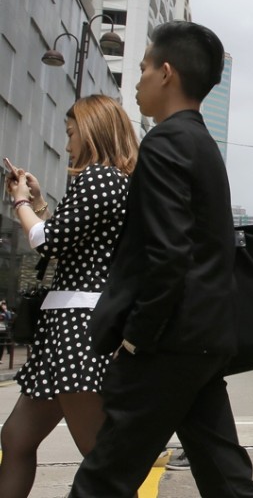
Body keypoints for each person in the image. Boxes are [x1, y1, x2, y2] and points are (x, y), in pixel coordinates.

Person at [70, 22, 253, 498]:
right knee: (225, 475)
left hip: (168, 341)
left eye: (142, 68)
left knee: (104, 477)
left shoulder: (165, 143)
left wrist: (136, 338)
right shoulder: (202, 144)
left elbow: (168, 254)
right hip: (203, 336)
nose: (137, 81)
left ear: (167, 73)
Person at [1, 95, 137, 498]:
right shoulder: (114, 181)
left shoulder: (100, 178)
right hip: (69, 329)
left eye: (72, 133)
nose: (67, 144)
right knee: (16, 438)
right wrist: (40, 202)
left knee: (98, 456)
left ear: (92, 132)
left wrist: (21, 202)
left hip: (77, 331)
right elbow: (70, 241)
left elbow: (49, 241)